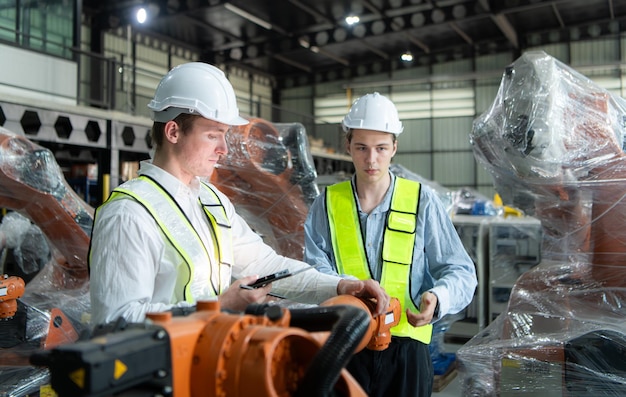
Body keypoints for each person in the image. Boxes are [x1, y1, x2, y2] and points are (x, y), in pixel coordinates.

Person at [88, 63, 390, 325]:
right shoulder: (129, 213)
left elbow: (267, 267)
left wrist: (341, 286)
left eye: (224, 135)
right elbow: (116, 320)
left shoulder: (211, 201)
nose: (223, 148)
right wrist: (219, 307)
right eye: (212, 135)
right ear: (173, 132)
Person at [303, 92, 477, 397]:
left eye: (381, 148)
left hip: (407, 353)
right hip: (346, 344)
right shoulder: (326, 204)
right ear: (348, 146)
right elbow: (315, 272)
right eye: (362, 148)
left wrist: (438, 298)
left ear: (394, 147)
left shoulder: (422, 201)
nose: (371, 160)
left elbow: (460, 270)